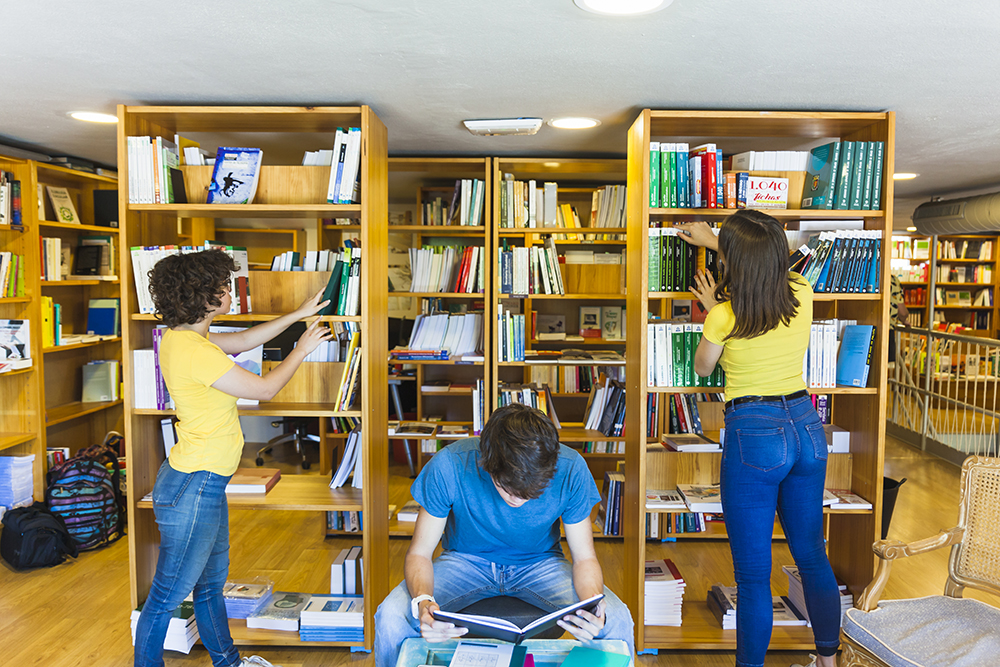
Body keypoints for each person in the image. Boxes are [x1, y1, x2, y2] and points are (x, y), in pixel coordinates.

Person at [133, 248, 332, 667]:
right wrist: (301, 348)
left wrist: (298, 314)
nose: (229, 292)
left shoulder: (183, 337)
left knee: (210, 585)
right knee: (167, 595)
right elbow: (263, 390)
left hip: (201, 480)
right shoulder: (195, 349)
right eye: (223, 287)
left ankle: (228, 661)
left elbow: (243, 340)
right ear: (203, 296)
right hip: (194, 484)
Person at [678, 211, 842, 667]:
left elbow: (703, 368)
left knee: (752, 576)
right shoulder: (803, 292)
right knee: (812, 556)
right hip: (807, 425)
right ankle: (829, 661)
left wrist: (712, 306)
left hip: (755, 431)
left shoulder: (725, 315)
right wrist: (720, 243)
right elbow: (773, 265)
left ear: (733, 261)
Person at [373, 403, 635, 667]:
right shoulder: (449, 465)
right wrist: (423, 600)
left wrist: (592, 606)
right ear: (487, 463)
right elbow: (419, 553)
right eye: (508, 489)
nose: (518, 499)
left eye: (531, 492)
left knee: (617, 619)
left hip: (540, 564)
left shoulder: (571, 469)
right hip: (464, 562)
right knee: (391, 616)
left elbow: (585, 558)